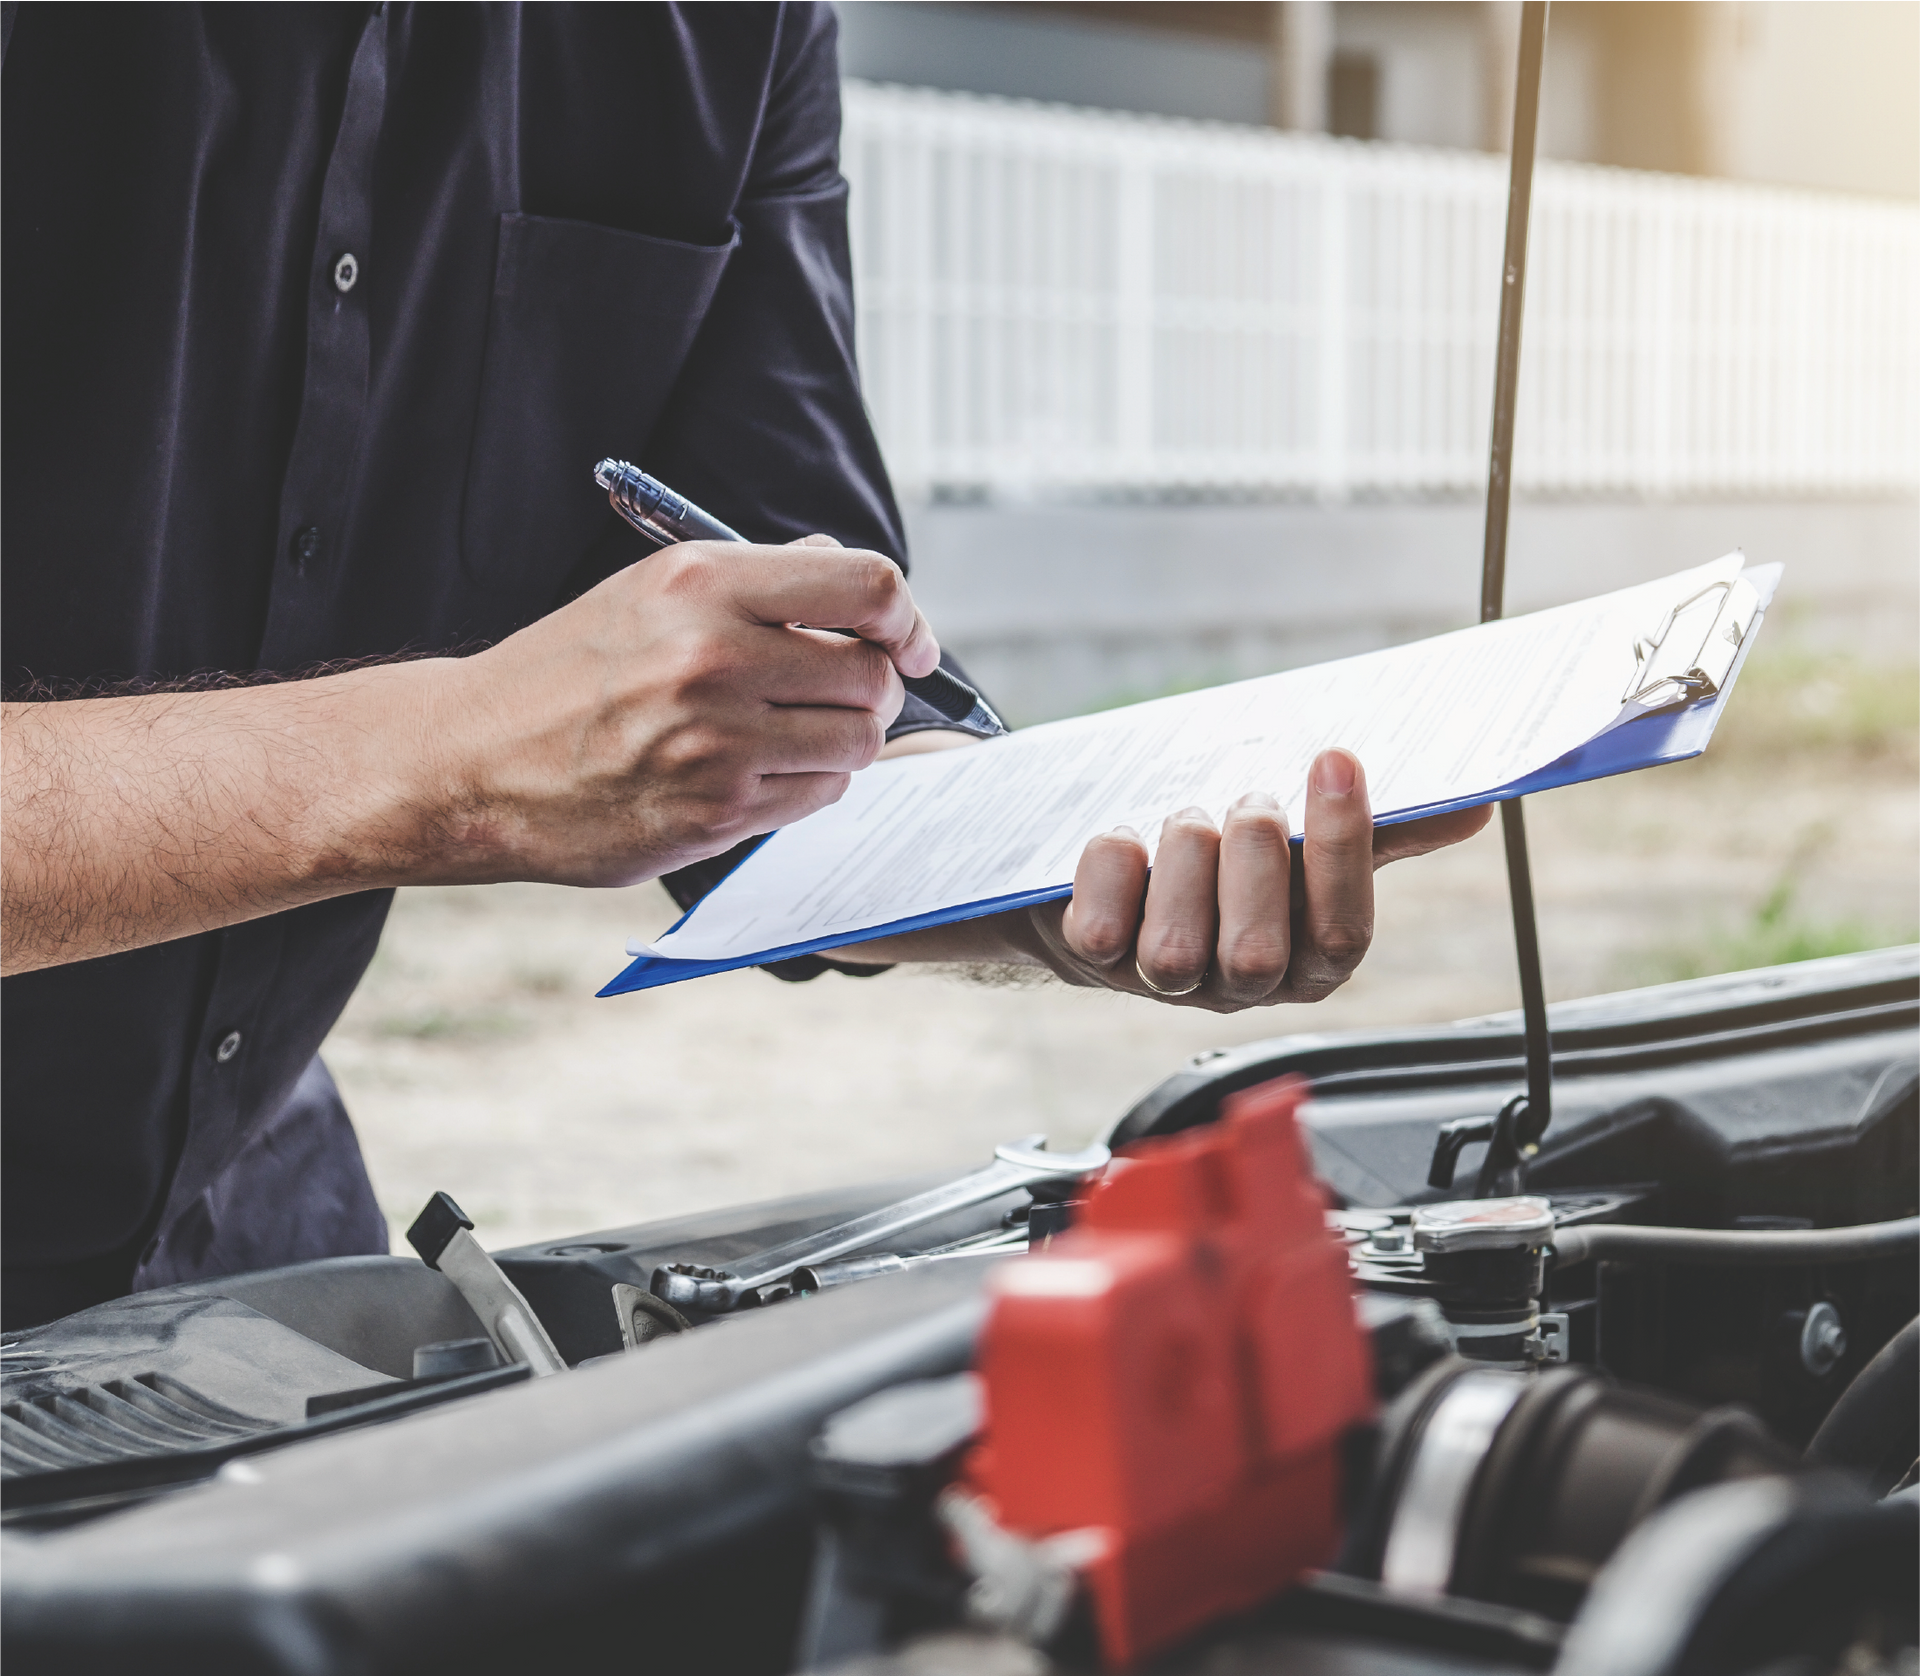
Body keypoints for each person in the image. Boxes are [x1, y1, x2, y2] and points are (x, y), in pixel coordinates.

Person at [0, 1, 1485, 1330]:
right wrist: (452, 759)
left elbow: (794, 724)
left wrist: (1065, 853)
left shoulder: (729, 31)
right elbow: (484, 750)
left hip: (239, 1227)